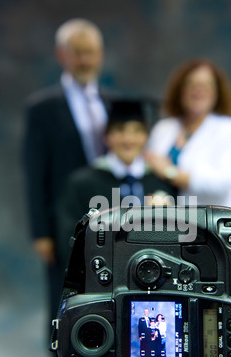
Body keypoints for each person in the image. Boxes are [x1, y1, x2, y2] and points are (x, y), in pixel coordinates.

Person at [22, 18, 115, 335]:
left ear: (100, 54)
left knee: (106, 288)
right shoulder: (42, 108)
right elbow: (34, 173)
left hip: (108, 213)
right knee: (62, 293)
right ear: (62, 55)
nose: (85, 59)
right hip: (62, 218)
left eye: (90, 52)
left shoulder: (111, 103)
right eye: (77, 52)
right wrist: (41, 232)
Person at [56, 99, 178, 269]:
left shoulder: (160, 181)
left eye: (136, 131)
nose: (128, 139)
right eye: (120, 130)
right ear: (107, 137)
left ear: (146, 137)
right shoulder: (82, 183)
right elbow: (69, 239)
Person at [145, 58, 231, 214]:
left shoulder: (230, 130)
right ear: (181, 90)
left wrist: (170, 173)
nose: (198, 90)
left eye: (206, 85)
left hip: (218, 220)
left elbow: (225, 182)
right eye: (191, 84)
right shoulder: (164, 128)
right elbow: (149, 167)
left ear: (216, 93)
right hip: (173, 222)